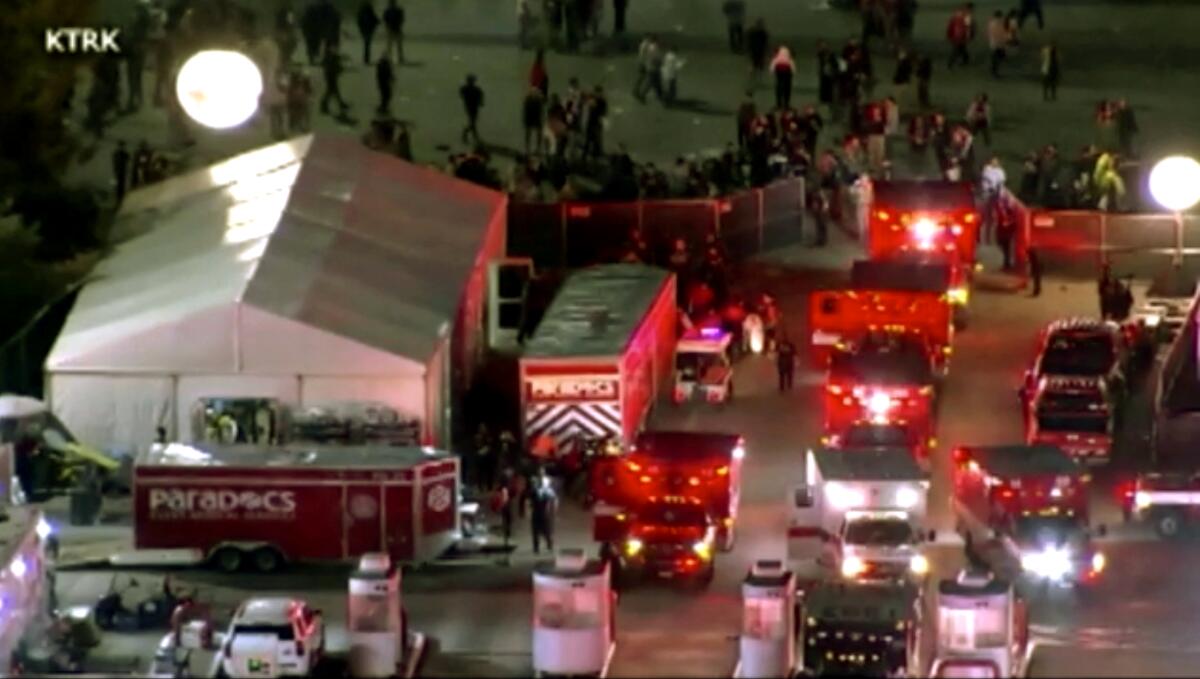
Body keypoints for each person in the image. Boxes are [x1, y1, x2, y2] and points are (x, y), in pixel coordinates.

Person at [319, 39, 350, 117]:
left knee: (334, 91)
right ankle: (324, 106)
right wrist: (339, 69)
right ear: (329, 48)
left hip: (332, 75)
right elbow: (330, 66)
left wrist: (340, 66)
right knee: (331, 91)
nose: (336, 48)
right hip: (330, 76)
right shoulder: (329, 56)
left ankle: (340, 103)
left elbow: (335, 62)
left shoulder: (333, 55)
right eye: (334, 47)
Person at [529, 473, 558, 554]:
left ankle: (537, 547)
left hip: (538, 512)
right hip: (542, 512)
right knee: (545, 530)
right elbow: (553, 500)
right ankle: (547, 544)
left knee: (536, 530)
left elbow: (530, 500)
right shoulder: (546, 491)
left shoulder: (535, 490)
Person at [460, 74, 484, 144]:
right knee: (473, 122)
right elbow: (480, 96)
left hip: (471, 107)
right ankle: (471, 136)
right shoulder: (473, 89)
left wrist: (480, 101)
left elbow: (480, 96)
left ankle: (473, 136)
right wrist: (480, 101)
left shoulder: (466, 89)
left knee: (473, 122)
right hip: (471, 107)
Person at [770, 46, 796, 110]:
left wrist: (772, 71)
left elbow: (773, 63)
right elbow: (792, 64)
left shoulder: (777, 57)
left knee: (778, 87)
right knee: (787, 87)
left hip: (779, 73)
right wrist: (793, 71)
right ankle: (786, 104)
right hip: (788, 73)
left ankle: (779, 104)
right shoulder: (788, 57)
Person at [357, 0, 380, 65]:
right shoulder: (370, 12)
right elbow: (376, 20)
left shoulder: (361, 12)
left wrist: (361, 29)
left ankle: (366, 59)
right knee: (367, 45)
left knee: (366, 45)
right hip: (369, 31)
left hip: (364, 31)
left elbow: (359, 21)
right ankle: (366, 59)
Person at [987, 10, 1006, 78]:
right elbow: (999, 34)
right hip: (998, 43)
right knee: (997, 58)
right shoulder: (998, 23)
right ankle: (994, 72)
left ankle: (993, 70)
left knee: (997, 57)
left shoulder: (991, 23)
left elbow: (989, 33)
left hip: (993, 43)